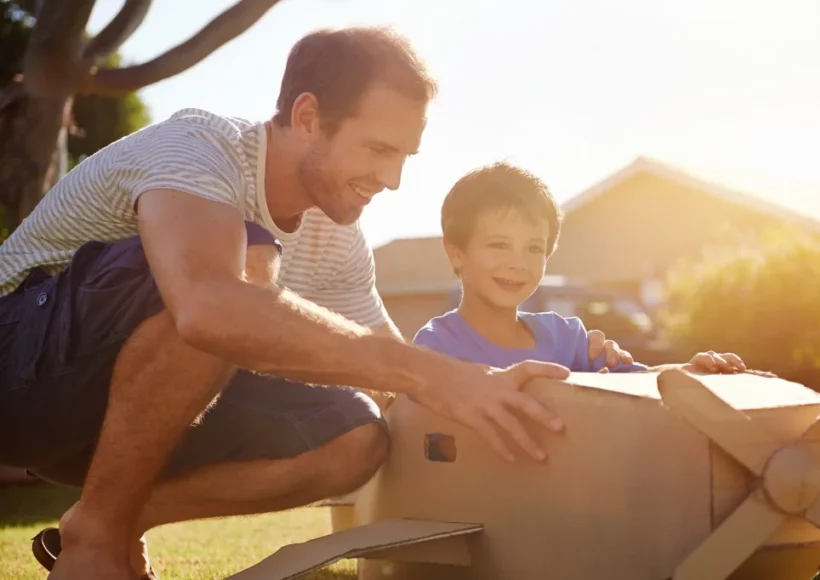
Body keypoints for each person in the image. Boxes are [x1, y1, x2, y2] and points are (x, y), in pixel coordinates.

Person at [0, 28, 625, 580]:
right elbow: (207, 306)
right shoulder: (197, 148)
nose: (394, 179)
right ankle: (99, 550)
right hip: (17, 371)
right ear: (307, 117)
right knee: (236, 266)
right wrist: (434, 371)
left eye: (404, 156)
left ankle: (98, 522)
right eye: (379, 149)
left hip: (118, 419)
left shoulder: (336, 233)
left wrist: (534, 391)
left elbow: (393, 381)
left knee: (353, 432)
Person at [412, 161, 749, 375]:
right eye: (499, 244)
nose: (518, 262)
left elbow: (642, 382)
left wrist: (688, 370)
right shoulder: (436, 348)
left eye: (534, 248)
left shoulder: (567, 338)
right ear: (456, 253)